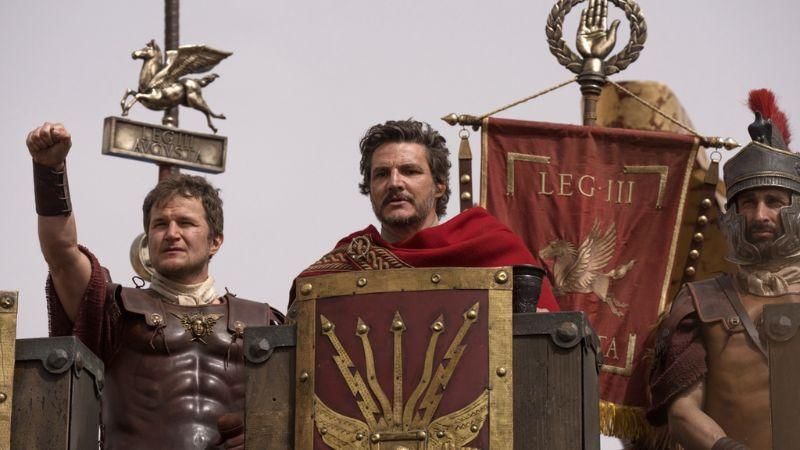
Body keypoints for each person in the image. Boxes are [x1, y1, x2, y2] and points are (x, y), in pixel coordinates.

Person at [27, 121, 282, 449]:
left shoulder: (263, 323)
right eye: (160, 224)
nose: (172, 233)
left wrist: (270, 437)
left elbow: (302, 412)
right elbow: (62, 254)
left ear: (215, 241)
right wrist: (49, 171)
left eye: (186, 223)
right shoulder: (114, 311)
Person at [647, 90, 799, 450]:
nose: (760, 215)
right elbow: (683, 412)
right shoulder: (701, 303)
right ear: (733, 213)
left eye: (774, 202)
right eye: (748, 203)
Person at [291, 119, 559, 312]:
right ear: (369, 188)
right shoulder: (347, 262)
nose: (394, 183)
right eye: (381, 174)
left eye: (410, 171)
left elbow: (545, 343)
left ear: (439, 185)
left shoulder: (489, 247)